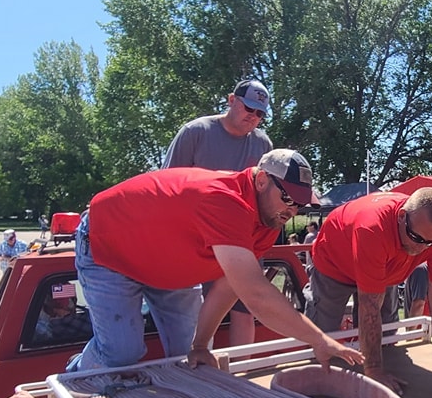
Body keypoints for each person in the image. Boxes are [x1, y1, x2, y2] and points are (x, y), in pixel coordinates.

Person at [75, 149, 363, 374]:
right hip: (109, 247)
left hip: (165, 266)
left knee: (186, 354)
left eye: (299, 203)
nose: (292, 210)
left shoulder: (268, 221)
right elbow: (256, 295)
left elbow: (229, 286)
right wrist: (319, 340)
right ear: (261, 180)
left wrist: (200, 345)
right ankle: (70, 386)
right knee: (121, 354)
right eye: (287, 198)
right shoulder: (224, 201)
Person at [307, 188, 432, 393]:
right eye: (417, 238)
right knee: (323, 336)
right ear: (401, 217)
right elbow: (369, 306)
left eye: (431, 242)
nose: (422, 248)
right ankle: (318, 386)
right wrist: (373, 371)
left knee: (387, 335)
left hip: (387, 268)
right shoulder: (372, 227)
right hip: (334, 267)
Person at [167, 79, 277, 348]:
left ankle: (239, 378)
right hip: (195, 239)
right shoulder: (196, 132)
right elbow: (169, 185)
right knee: (198, 311)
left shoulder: (264, 145)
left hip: (241, 238)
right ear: (231, 100)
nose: (253, 117)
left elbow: (266, 196)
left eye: (260, 113)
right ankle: (200, 373)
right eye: (249, 108)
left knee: (244, 308)